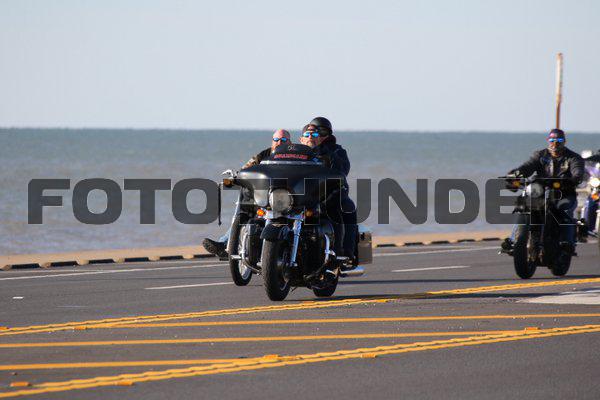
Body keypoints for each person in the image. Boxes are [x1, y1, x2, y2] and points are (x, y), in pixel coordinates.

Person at [202, 129, 291, 258]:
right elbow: (246, 169)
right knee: (244, 214)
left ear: (289, 142)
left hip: (285, 198)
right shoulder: (264, 155)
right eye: (276, 139)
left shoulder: (294, 156)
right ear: (272, 141)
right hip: (264, 196)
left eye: (283, 140)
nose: (279, 142)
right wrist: (234, 179)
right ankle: (225, 244)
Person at [505, 128, 584, 253]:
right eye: (552, 140)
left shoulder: (573, 157)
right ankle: (513, 240)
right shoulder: (540, 155)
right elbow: (527, 166)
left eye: (559, 140)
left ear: (564, 141)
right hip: (540, 191)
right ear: (548, 140)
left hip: (564, 193)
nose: (555, 143)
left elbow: (577, 171)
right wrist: (516, 174)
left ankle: (567, 241)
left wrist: (574, 178)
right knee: (524, 206)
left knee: (565, 209)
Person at [300, 117, 358, 262]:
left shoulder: (336, 151)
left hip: (331, 193)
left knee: (348, 208)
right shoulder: (299, 151)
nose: (316, 135)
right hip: (303, 195)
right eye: (309, 133)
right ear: (302, 138)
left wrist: (329, 155)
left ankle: (346, 250)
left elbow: (343, 171)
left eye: (322, 132)